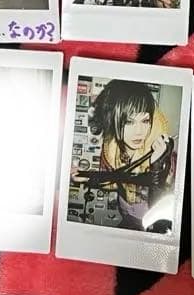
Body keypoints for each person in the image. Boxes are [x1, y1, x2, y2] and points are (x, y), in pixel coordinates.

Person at [70, 80, 175, 232]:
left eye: (145, 121)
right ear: (113, 120)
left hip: (151, 220)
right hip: (125, 212)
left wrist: (158, 167)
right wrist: (89, 177)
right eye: (129, 122)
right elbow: (115, 181)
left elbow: (164, 201)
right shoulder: (113, 148)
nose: (139, 131)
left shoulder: (163, 152)